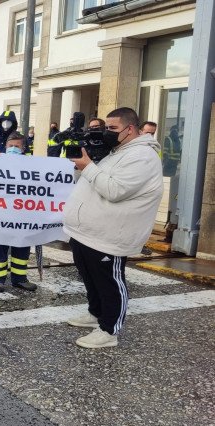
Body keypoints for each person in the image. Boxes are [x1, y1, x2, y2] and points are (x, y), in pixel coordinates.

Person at [64, 107, 163, 348]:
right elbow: (92, 181)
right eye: (104, 128)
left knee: (109, 282)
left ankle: (109, 330)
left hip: (110, 235)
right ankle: (95, 313)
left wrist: (88, 166)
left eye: (112, 129)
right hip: (87, 232)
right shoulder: (117, 151)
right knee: (90, 277)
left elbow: (114, 190)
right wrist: (83, 167)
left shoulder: (142, 156)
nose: (107, 133)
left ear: (131, 129)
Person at [0, 132, 38, 292]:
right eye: (10, 146)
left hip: (23, 213)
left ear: (24, 148)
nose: (13, 149)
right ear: (5, 147)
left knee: (22, 246)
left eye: (17, 146)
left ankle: (20, 279)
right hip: (0, 212)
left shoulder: (32, 164)